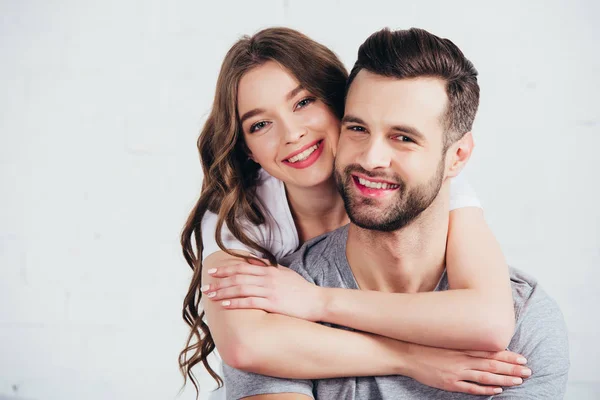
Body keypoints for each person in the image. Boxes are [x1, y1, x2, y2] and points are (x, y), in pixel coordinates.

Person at [219, 27, 570, 399]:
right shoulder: (268, 287)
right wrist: (408, 358)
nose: (372, 159)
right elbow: (247, 343)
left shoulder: (524, 317)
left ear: (458, 157)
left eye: (404, 137)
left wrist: (320, 302)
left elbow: (490, 322)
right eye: (358, 128)